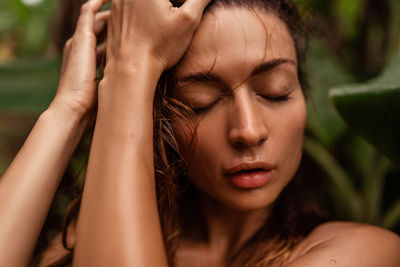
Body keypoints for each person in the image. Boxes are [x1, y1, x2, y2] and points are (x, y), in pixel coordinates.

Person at [0, 0, 399, 266]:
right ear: (156, 119)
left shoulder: (359, 252)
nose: (248, 130)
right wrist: (69, 110)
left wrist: (132, 67)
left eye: (275, 93)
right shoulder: (85, 239)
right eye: (200, 102)